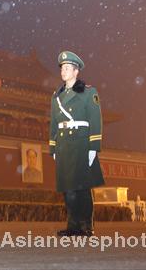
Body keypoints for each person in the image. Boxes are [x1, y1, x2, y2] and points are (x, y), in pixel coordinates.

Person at [49, 51, 105, 237]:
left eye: (67, 68)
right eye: (62, 69)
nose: (63, 72)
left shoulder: (89, 92)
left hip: (81, 143)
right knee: (68, 188)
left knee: (82, 188)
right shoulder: (56, 97)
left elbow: (95, 119)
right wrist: (53, 147)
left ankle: (86, 225)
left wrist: (93, 147)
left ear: (76, 71)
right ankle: (72, 225)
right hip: (64, 145)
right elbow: (54, 123)